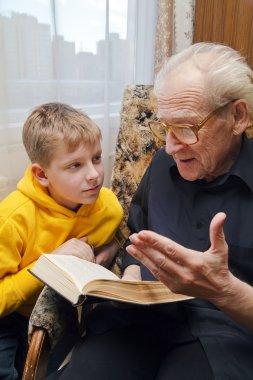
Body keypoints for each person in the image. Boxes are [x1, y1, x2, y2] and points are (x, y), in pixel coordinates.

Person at [46, 42, 253, 380]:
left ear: (238, 116)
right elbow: (136, 234)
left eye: (186, 128)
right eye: (165, 127)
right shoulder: (161, 164)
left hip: (222, 337)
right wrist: (129, 274)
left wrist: (224, 289)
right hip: (137, 321)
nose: (170, 147)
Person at [0, 102, 123, 380]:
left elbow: (115, 238)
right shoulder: (11, 219)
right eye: (75, 165)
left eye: (96, 158)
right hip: (7, 317)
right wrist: (50, 263)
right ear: (42, 174)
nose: (93, 174)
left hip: (58, 309)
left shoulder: (108, 208)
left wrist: (111, 249)